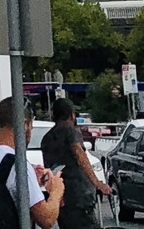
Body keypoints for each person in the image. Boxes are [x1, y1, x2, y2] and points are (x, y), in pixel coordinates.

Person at [0, 98, 65, 229]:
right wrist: (56, 191)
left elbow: (4, 187)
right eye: (31, 126)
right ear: (25, 124)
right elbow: (46, 219)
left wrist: (32, 182)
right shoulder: (19, 167)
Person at [38, 97, 111, 229]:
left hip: (62, 197)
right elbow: (80, 155)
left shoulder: (46, 139)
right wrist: (97, 183)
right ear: (71, 115)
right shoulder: (71, 132)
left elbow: (50, 171)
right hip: (79, 196)